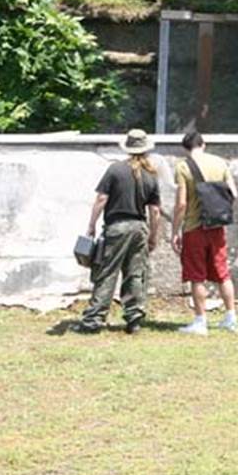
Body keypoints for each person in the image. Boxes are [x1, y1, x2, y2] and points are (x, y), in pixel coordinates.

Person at [74, 129, 161, 335]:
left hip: (116, 227)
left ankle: (93, 320)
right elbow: (155, 211)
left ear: (128, 148)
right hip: (139, 227)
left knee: (106, 272)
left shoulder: (115, 170)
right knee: (135, 273)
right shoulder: (150, 175)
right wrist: (153, 236)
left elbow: (101, 199)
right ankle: (134, 319)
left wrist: (91, 225)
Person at [170, 131, 238, 335]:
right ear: (203, 144)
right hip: (217, 226)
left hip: (194, 227)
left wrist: (175, 230)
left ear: (185, 148)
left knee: (196, 275)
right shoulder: (220, 163)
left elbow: (181, 203)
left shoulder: (183, 167)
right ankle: (231, 318)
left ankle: (200, 322)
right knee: (222, 273)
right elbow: (233, 194)